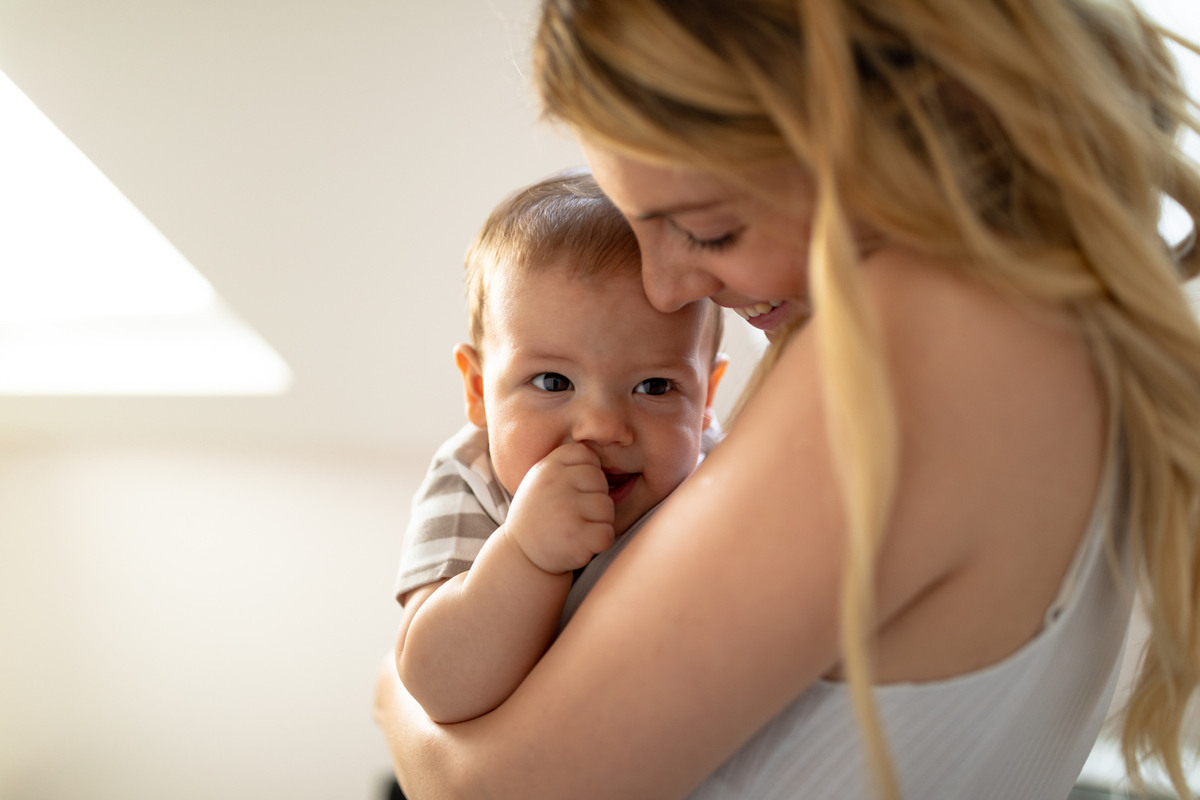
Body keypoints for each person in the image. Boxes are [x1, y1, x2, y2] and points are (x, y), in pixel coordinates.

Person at [375, 1, 1200, 798]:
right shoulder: (1044, 322)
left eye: (708, 230)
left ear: (883, 134)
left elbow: (500, 791)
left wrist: (391, 697)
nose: (665, 289)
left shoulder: (924, 342)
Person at [392, 170, 727, 725]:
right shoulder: (472, 481)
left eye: (654, 387)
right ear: (477, 390)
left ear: (707, 396)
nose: (603, 427)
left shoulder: (721, 472)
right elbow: (437, 685)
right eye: (553, 382)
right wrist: (525, 553)